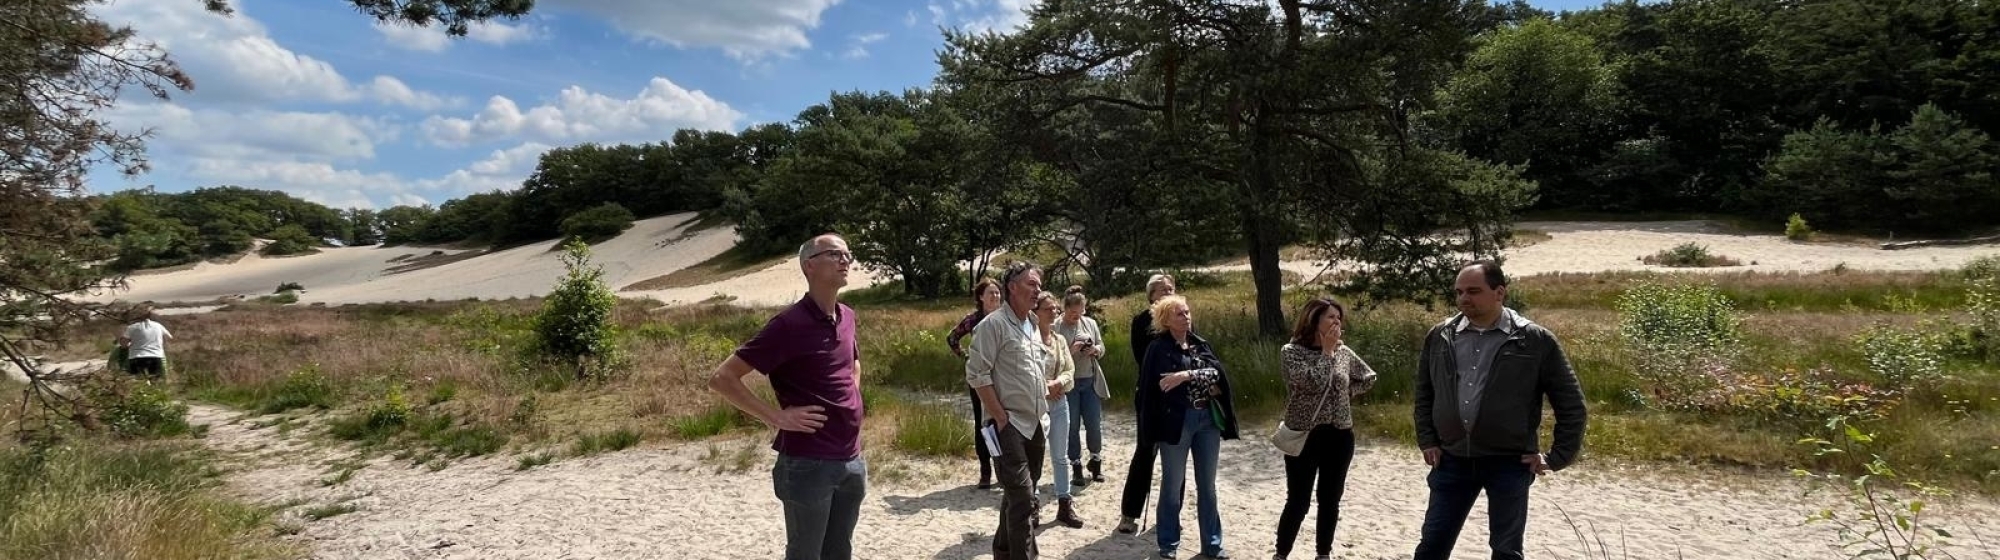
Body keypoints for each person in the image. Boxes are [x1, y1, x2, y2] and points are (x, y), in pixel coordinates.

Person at [1412, 260, 1588, 560]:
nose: (1464, 299)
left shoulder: (1534, 340)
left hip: (1509, 462)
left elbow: (1572, 405)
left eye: (1473, 291)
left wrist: (1556, 457)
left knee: (1506, 551)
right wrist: (1427, 439)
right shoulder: (1441, 335)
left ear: (1499, 292)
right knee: (1432, 545)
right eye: (1459, 292)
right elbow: (1424, 392)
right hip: (1452, 459)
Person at [707, 234, 867, 560]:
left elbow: (854, 362)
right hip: (809, 463)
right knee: (805, 553)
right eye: (835, 254)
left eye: (847, 255)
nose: (845, 260)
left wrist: (851, 398)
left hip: (852, 459)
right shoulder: (788, 325)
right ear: (809, 265)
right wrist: (776, 417)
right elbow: (723, 378)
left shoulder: (847, 315)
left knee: (839, 552)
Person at [1274, 297, 1378, 560]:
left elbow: (1368, 377)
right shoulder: (1292, 352)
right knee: (1298, 501)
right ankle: (1281, 553)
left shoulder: (1344, 351)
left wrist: (1346, 392)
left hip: (1340, 434)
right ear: (1314, 320)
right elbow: (1312, 383)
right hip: (1305, 435)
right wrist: (1327, 353)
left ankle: (1323, 554)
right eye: (1331, 317)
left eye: (1338, 318)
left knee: (1330, 500)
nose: (1337, 322)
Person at [1140, 294, 1239, 560]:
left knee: (1207, 484)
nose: (1186, 317)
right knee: (1173, 484)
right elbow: (1152, 389)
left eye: (1187, 312)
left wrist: (1187, 375)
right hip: (1176, 422)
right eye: (1179, 314)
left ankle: (1212, 544)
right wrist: (1149, 431)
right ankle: (1168, 544)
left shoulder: (1199, 344)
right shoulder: (1158, 349)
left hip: (1207, 419)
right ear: (1166, 320)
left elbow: (1216, 373)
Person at [966, 261, 1052, 560]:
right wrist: (1001, 418)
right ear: (1012, 288)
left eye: (1039, 284)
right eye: (1031, 284)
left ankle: (1002, 552)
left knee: (1018, 496)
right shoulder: (993, 325)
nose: (1037, 289)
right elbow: (977, 374)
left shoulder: (1031, 322)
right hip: (1009, 425)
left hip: (1037, 423)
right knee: (1024, 501)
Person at [1118, 273, 1178, 534]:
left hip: (1177, 397)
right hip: (1150, 396)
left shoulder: (1182, 319)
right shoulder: (1142, 321)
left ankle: (1170, 513)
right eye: (1162, 290)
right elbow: (1143, 360)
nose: (1167, 293)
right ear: (1151, 295)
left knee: (1175, 457)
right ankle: (1129, 513)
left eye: (1171, 289)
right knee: (1145, 453)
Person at [1032, 290, 1086, 529]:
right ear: (1035, 313)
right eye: (1048, 309)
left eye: (1055, 308)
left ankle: (1064, 503)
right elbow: (1026, 373)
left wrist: (1058, 383)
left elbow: (1069, 369)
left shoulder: (1059, 340)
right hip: (1037, 404)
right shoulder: (1029, 340)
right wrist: (1045, 387)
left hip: (1059, 401)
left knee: (1060, 456)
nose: (1053, 312)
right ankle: (1031, 505)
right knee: (1034, 456)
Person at [950, 277, 1005, 489]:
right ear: (981, 297)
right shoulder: (973, 320)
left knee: (1003, 419)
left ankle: (1003, 467)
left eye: (998, 293)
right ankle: (985, 470)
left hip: (1002, 377)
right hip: (979, 378)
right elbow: (952, 338)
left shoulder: (1006, 318)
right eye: (991, 293)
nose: (995, 297)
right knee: (983, 422)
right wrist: (966, 357)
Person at [1054, 286, 1108, 488]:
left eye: (1081, 311)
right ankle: (1075, 465)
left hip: (1090, 379)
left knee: (1094, 422)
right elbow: (1054, 358)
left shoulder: (1090, 323)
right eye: (1072, 313)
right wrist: (1072, 350)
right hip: (1070, 383)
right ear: (1065, 309)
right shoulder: (1057, 327)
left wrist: (1095, 350)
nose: (1076, 316)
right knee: (1072, 426)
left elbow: (1102, 346)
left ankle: (1095, 460)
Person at [118, 306, 173, 379]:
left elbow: (123, 344)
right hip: (156, 356)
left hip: (137, 358)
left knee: (140, 383)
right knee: (155, 382)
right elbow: (169, 338)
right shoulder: (158, 326)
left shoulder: (132, 327)